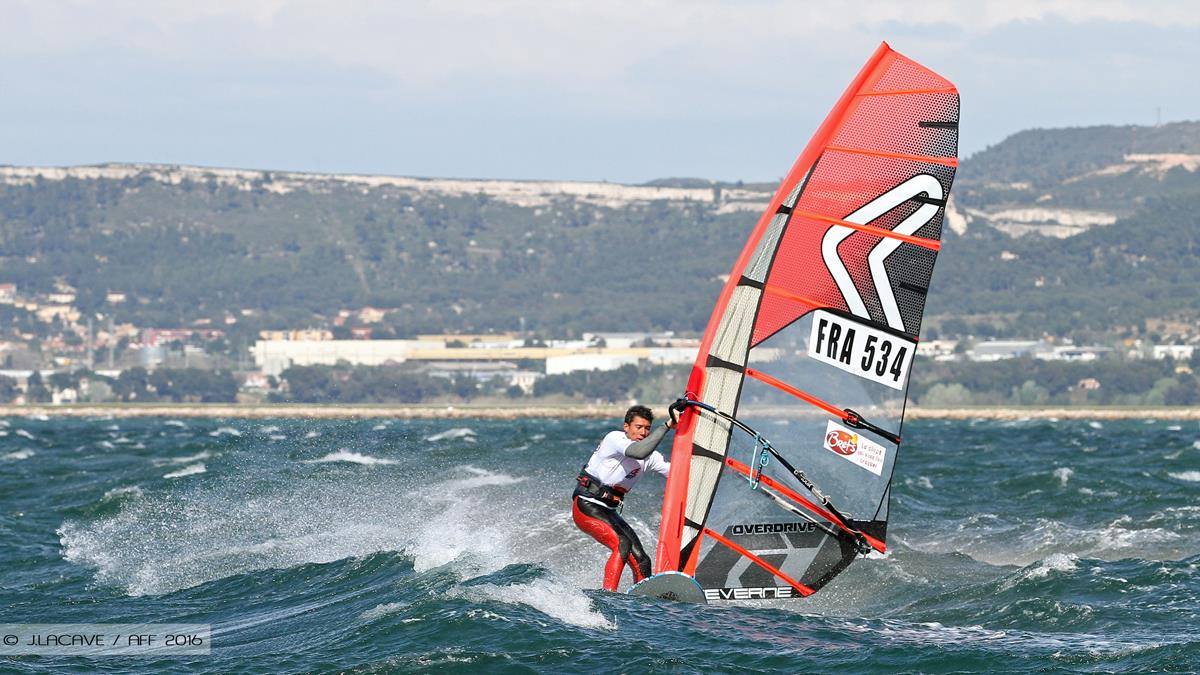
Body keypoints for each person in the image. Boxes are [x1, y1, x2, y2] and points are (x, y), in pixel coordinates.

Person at [572, 404, 677, 591]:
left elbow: (676, 473)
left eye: (647, 428)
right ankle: (608, 596)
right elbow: (638, 452)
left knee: (642, 560)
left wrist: (716, 466)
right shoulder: (615, 438)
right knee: (623, 543)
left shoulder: (651, 457)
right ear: (626, 427)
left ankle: (642, 600)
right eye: (639, 427)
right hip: (587, 505)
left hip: (609, 511)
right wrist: (667, 425)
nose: (643, 432)